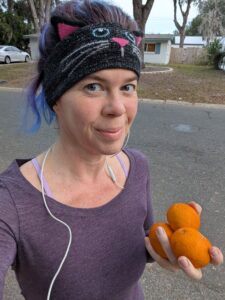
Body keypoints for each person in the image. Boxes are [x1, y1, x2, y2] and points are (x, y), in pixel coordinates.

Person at [0, 0, 223, 299]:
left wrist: (164, 247)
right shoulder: (11, 203)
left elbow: (138, 244)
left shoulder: (137, 168)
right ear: (56, 96)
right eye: (94, 86)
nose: (118, 108)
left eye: (128, 87)